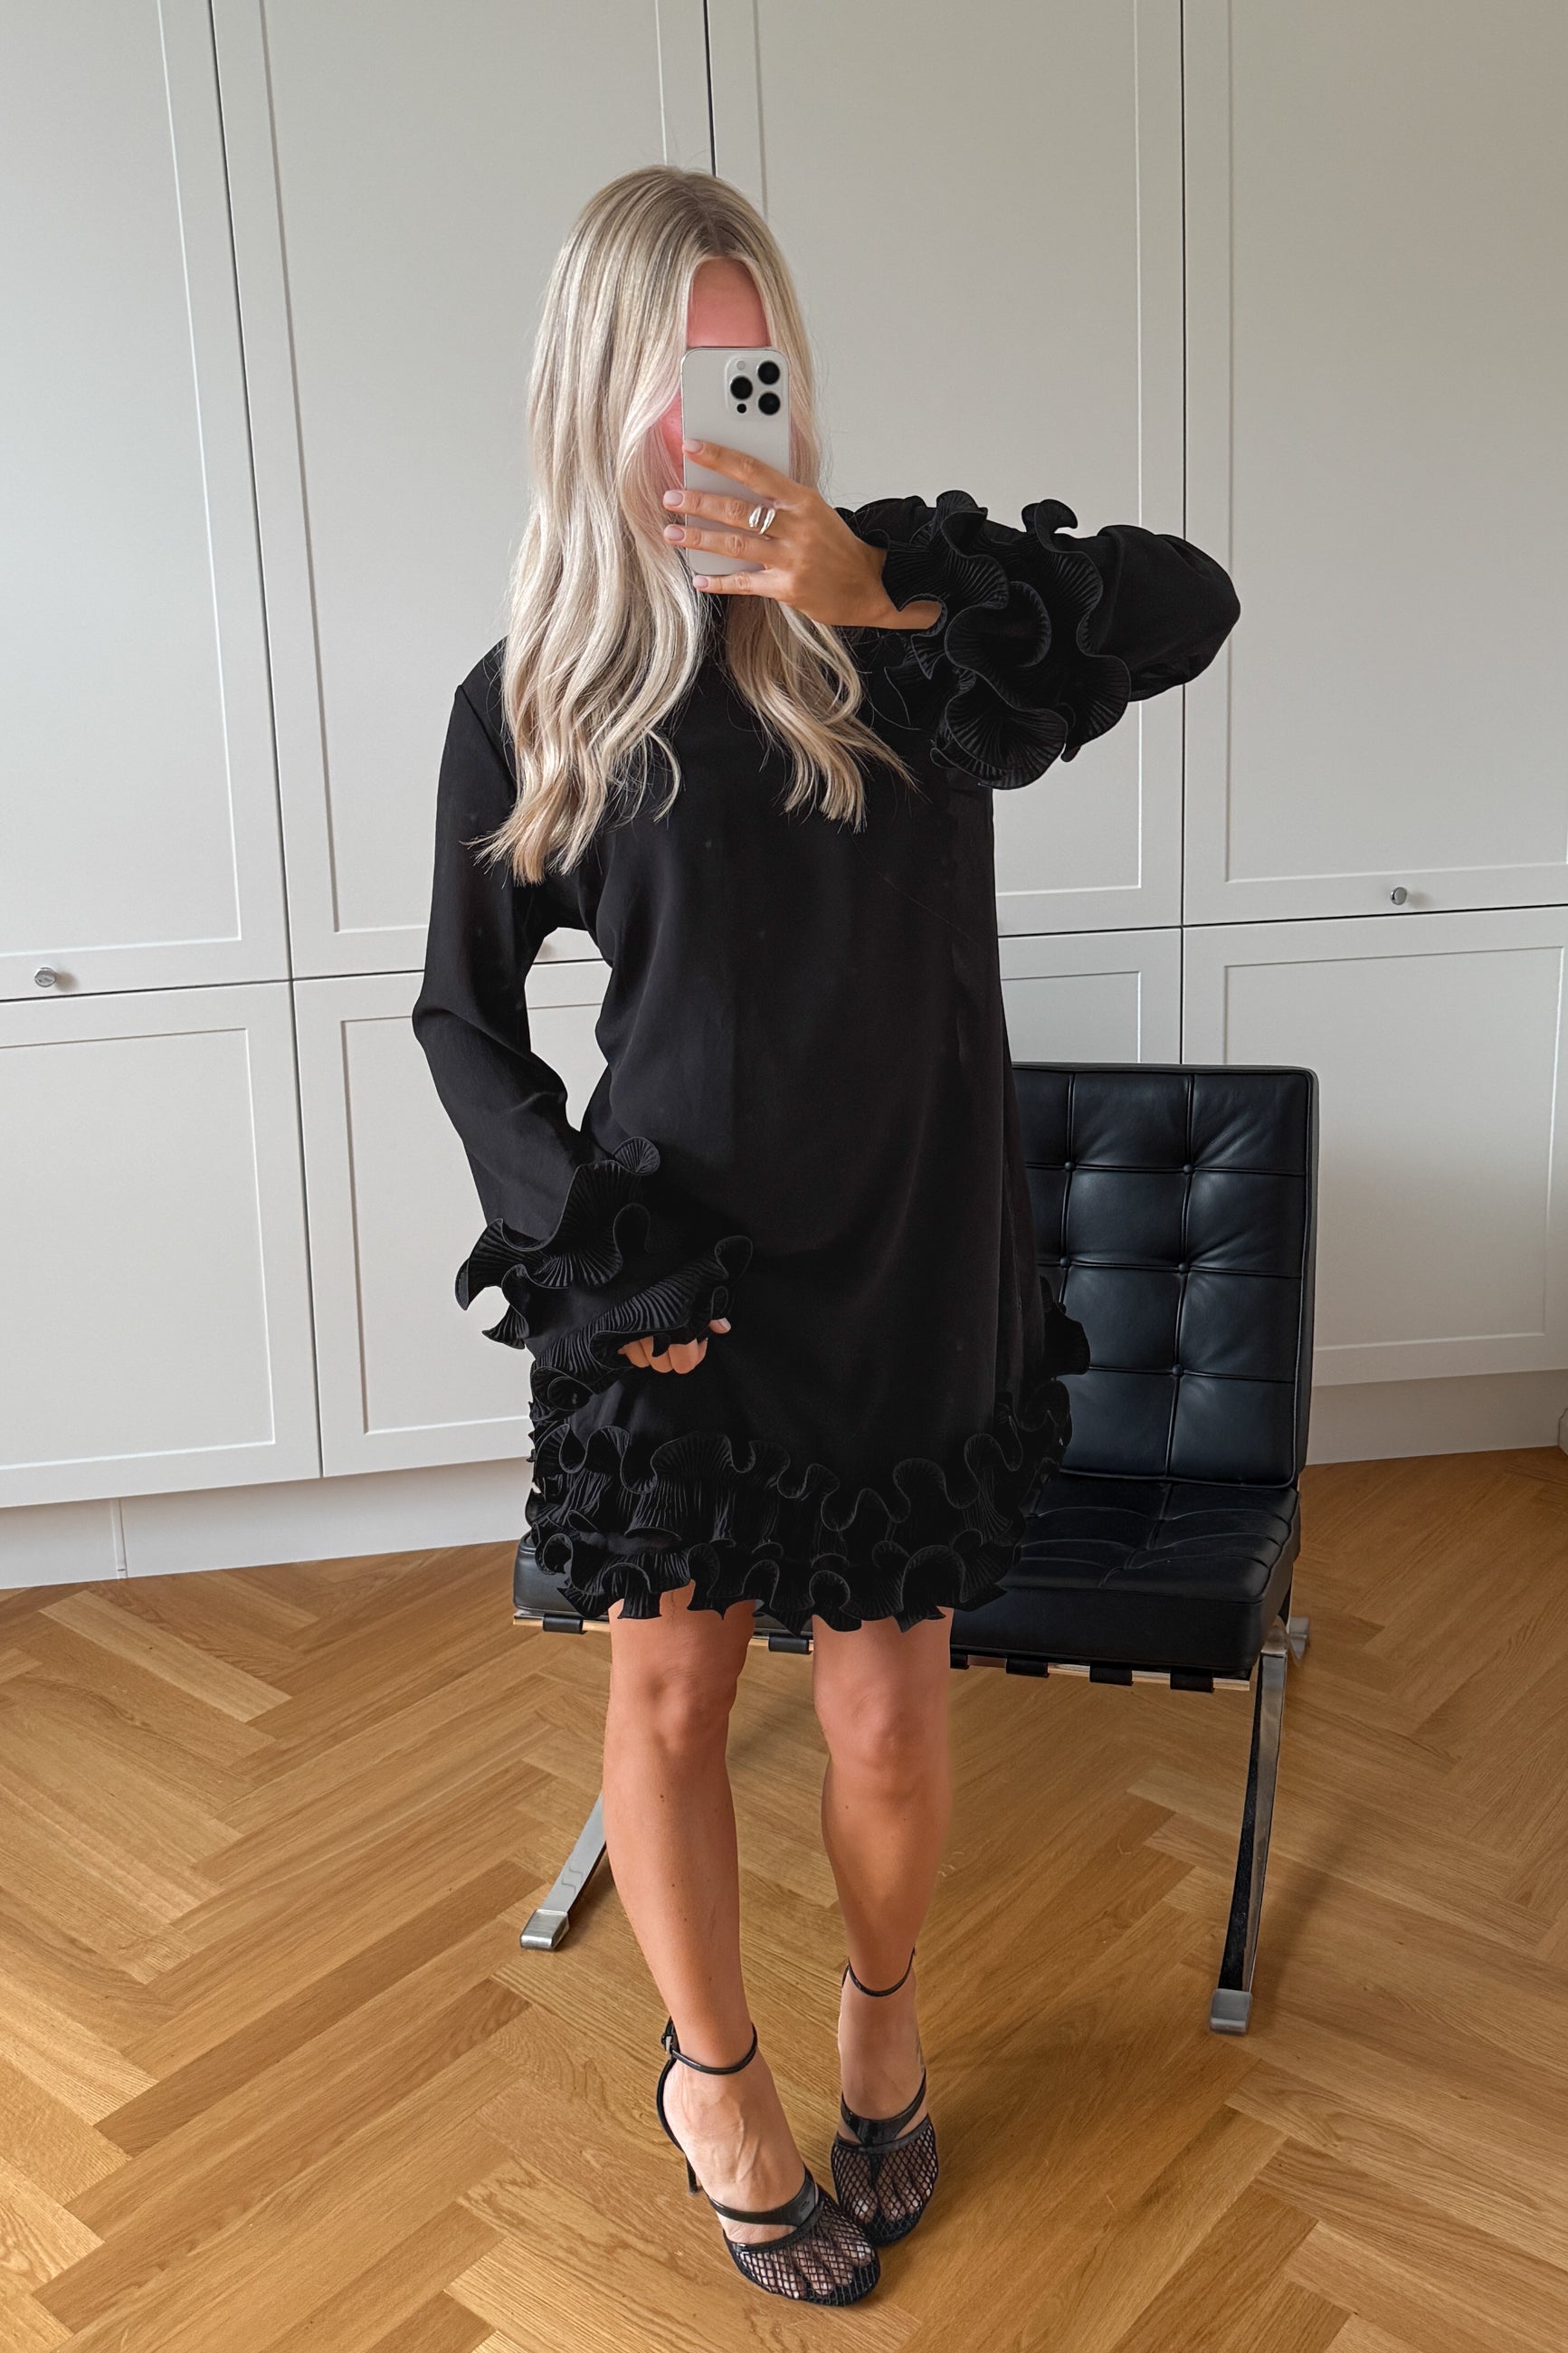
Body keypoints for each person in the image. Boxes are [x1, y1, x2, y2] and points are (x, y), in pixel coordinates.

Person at [412, 164, 1239, 2307]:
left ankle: (884, 2012)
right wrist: (605, 1267)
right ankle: (713, 2080)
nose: (719, 406)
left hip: (910, 1260)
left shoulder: (927, 630)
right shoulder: (537, 693)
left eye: (749, 356)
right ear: (597, 385)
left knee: (883, 1718)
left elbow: (1191, 601)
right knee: (673, 1699)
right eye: (675, 365)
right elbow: (462, 1020)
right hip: (676, 1285)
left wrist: (874, 588)